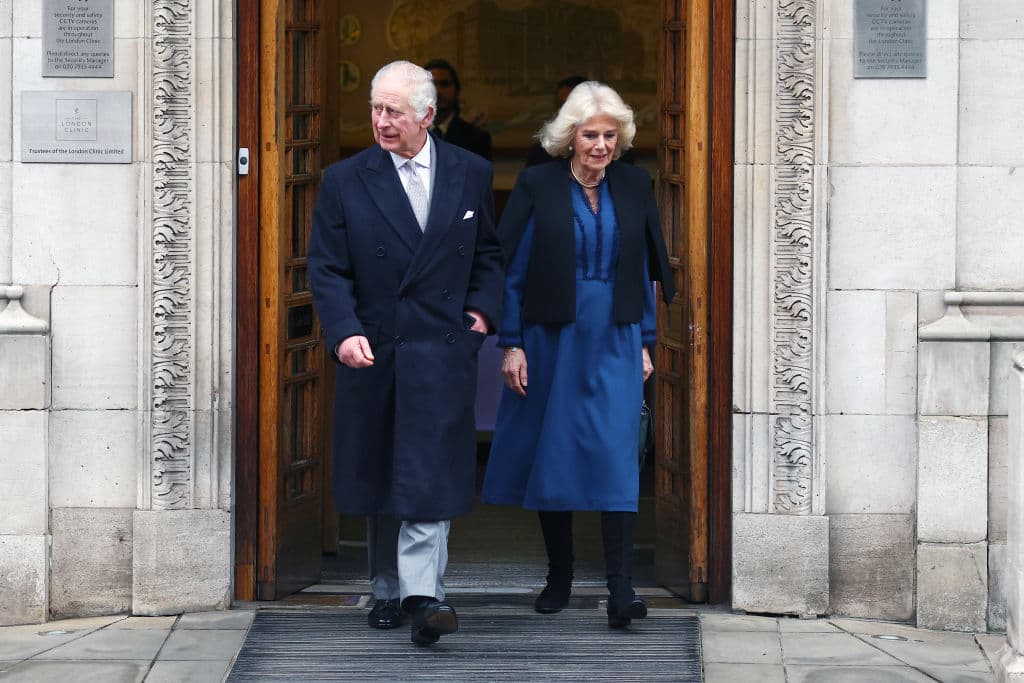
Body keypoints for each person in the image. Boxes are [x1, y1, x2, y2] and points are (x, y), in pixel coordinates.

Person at [308, 60, 504, 646]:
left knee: (428, 471)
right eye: (375, 108)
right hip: (377, 347)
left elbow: (488, 255)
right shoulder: (345, 180)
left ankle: (423, 596)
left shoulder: (470, 171)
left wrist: (480, 315)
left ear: (427, 115)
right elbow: (327, 268)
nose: (381, 121)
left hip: (441, 348)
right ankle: (388, 588)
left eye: (393, 111)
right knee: (384, 471)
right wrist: (343, 331)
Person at [482, 82, 675, 629]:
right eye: (591, 134)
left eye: (610, 135)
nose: (601, 145)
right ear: (570, 136)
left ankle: (621, 588)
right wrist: (512, 343)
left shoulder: (633, 184)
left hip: (615, 337)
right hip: (553, 338)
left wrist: (645, 341)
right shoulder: (540, 184)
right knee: (557, 454)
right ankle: (559, 576)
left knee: (617, 455)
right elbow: (514, 272)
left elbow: (641, 269)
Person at [424, 58, 493, 161]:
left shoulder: (477, 138)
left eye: (444, 84)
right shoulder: (407, 135)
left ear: (457, 90)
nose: (438, 91)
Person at [524, 75, 586, 167]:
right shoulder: (543, 152)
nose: (562, 112)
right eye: (560, 106)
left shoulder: (605, 150)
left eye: (569, 107)